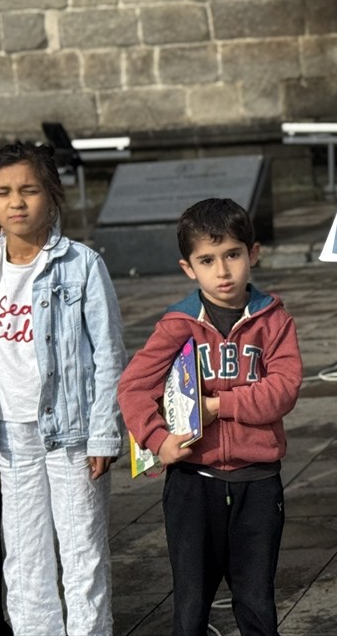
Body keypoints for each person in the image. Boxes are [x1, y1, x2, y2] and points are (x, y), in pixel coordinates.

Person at [118, 198, 303, 636]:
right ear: (189, 269)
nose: (222, 272)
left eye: (232, 255)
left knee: (256, 598)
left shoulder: (273, 322)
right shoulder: (177, 324)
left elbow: (283, 389)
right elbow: (133, 388)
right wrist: (157, 439)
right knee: (191, 603)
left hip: (258, 481)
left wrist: (218, 406)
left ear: (252, 253)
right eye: (207, 260)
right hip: (191, 485)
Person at [0, 142, 127, 636]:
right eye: (3, 192)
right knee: (24, 559)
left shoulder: (81, 264)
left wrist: (105, 434)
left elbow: (109, 355)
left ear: (53, 196)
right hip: (11, 438)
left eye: (29, 190)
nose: (16, 202)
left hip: (72, 437)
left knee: (82, 553)